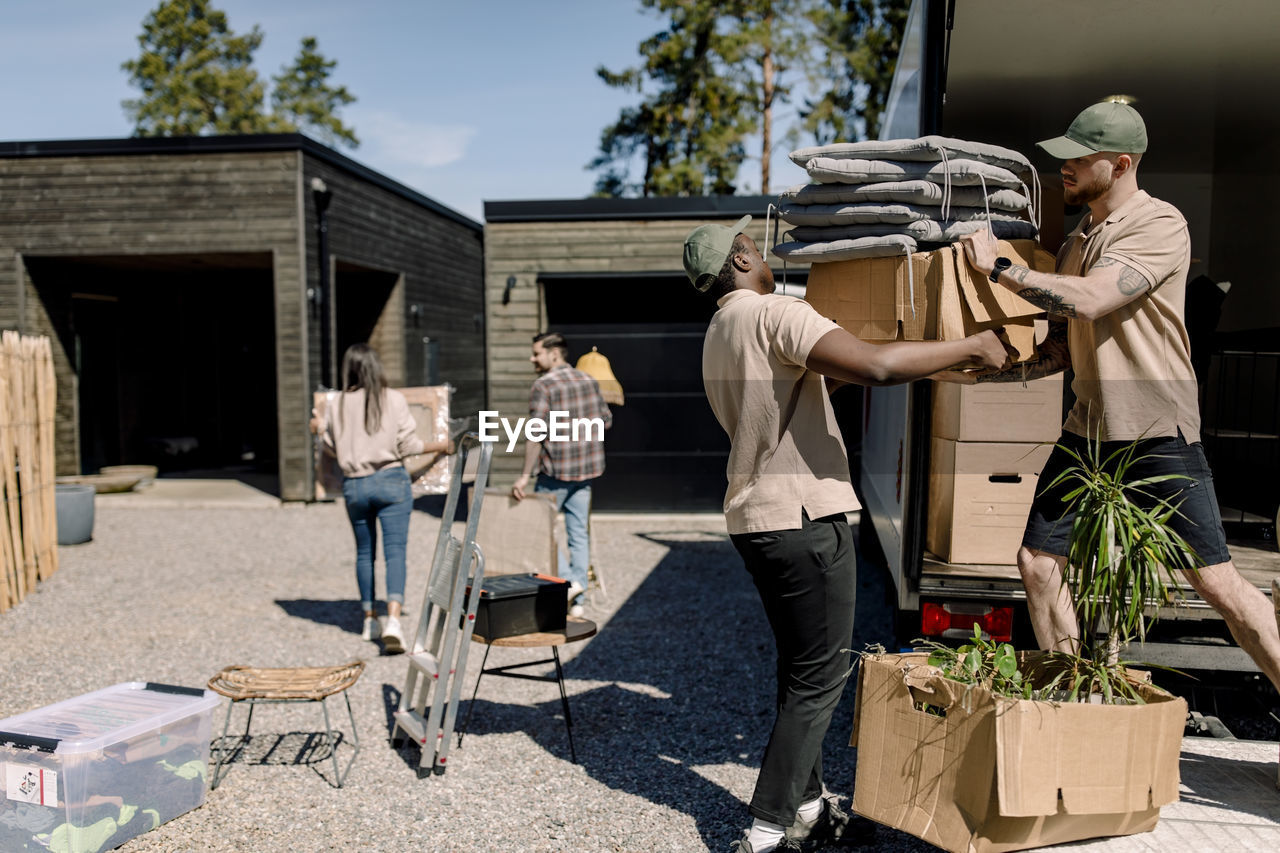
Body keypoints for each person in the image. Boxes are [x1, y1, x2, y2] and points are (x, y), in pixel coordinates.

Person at [685, 215, 1012, 853]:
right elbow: (877, 366)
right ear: (746, 254)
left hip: (757, 522)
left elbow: (810, 385)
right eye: (758, 244)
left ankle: (807, 810)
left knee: (801, 671)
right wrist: (973, 348)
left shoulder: (719, 332)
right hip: (806, 517)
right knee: (821, 677)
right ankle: (766, 831)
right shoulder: (774, 313)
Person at [953, 99, 1280, 695]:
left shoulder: (1159, 225)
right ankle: (1074, 697)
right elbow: (1062, 343)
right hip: (1088, 432)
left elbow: (1092, 300)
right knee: (1038, 565)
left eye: (1080, 159)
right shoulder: (1079, 238)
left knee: (1216, 584)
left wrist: (1000, 267)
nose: (1065, 170)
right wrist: (976, 367)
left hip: (1156, 430)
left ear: (1122, 163)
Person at [313, 343, 451, 654]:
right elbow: (410, 446)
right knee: (395, 553)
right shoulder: (393, 399)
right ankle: (392, 620)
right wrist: (441, 445)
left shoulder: (335, 404)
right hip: (391, 481)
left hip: (355, 486)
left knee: (364, 553)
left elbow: (332, 448)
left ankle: (368, 618)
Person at [511, 332, 613, 617]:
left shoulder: (543, 386)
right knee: (578, 533)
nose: (532, 359)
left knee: (540, 532)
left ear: (554, 353)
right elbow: (605, 420)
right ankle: (577, 600)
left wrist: (523, 476)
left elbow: (535, 433)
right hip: (585, 470)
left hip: (555, 472)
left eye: (536, 353)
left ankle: (570, 584)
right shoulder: (588, 380)